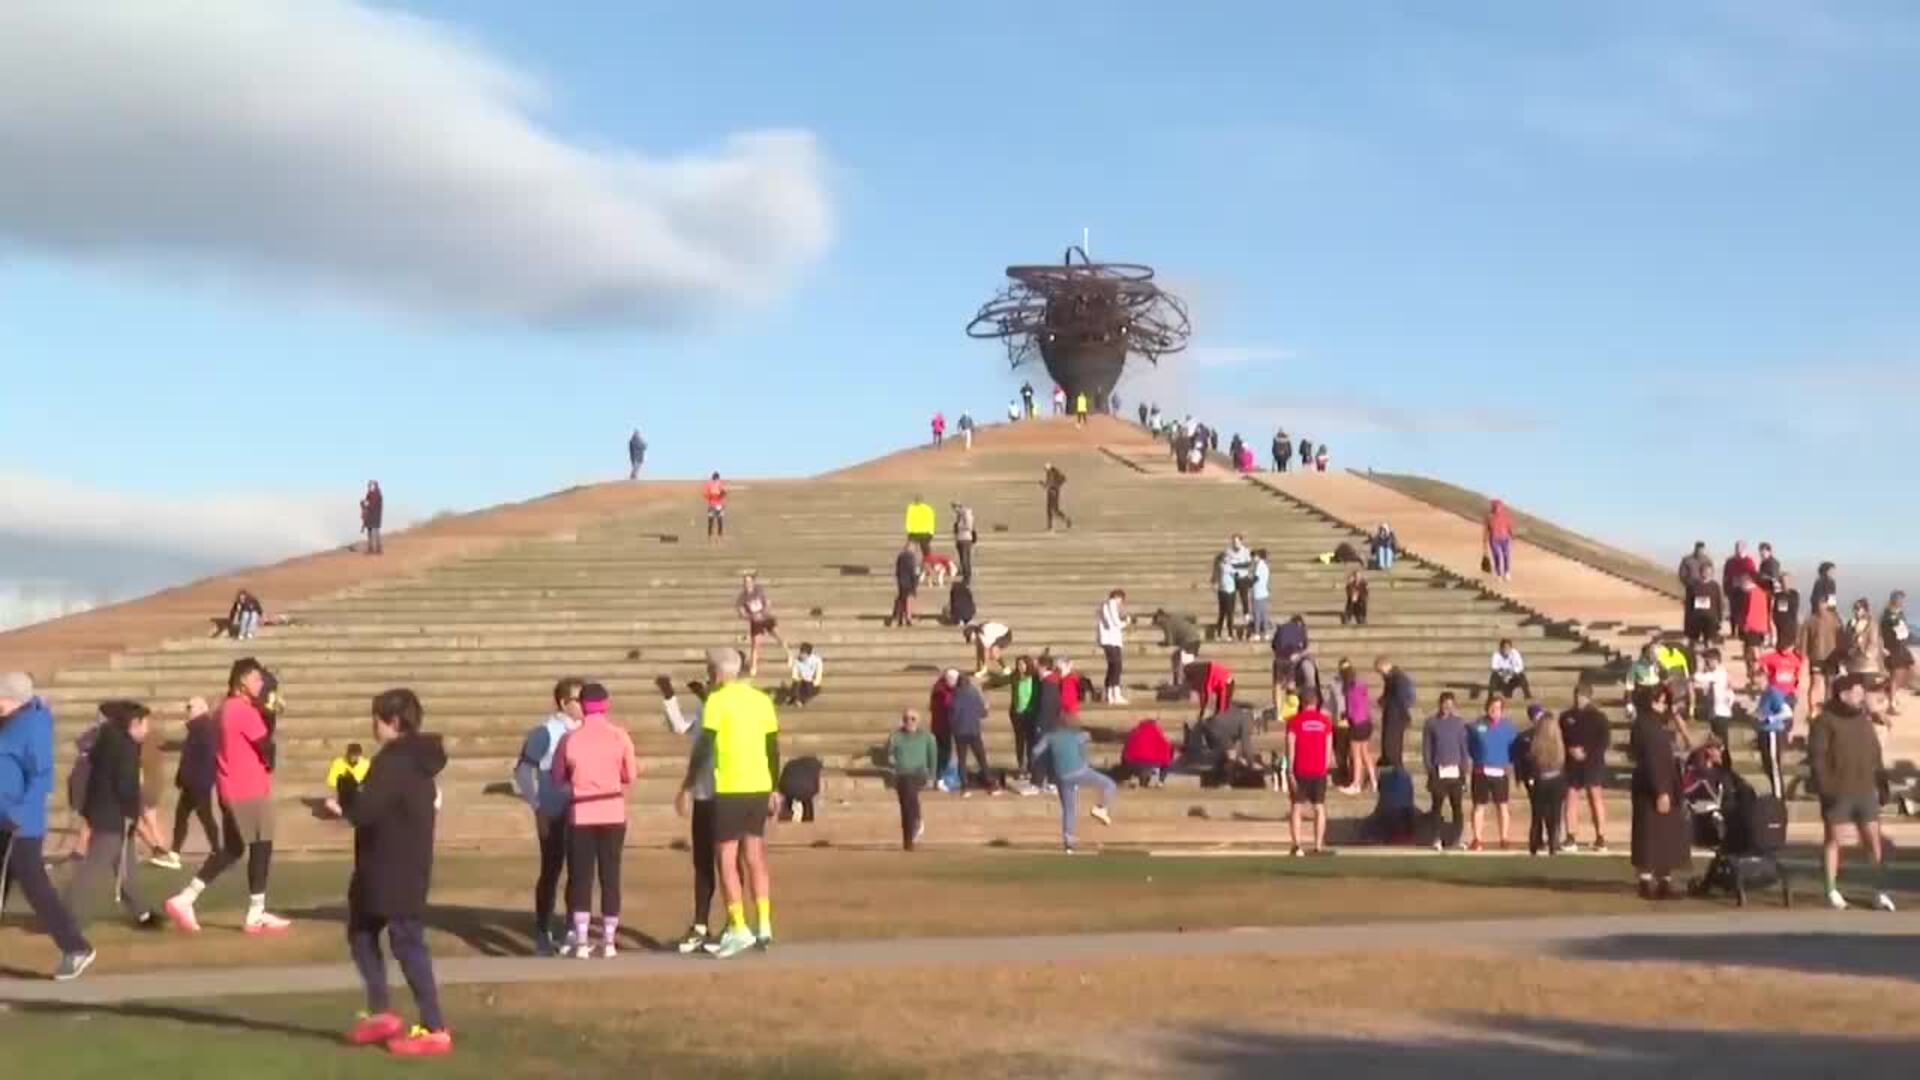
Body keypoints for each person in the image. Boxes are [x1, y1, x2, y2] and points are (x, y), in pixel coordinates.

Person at [342, 688, 452, 1056]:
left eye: (376, 718)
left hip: (391, 865)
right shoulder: (416, 761)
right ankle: (380, 1012)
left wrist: (345, 795)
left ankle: (434, 1026)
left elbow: (364, 811)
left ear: (392, 721)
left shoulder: (394, 762)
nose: (372, 725)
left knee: (406, 941)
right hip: (399, 863)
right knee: (362, 929)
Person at [164, 657, 291, 935]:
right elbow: (266, 749)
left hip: (230, 786)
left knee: (233, 849)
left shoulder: (224, 708)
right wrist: (270, 714)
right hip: (248, 787)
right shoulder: (243, 711)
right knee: (261, 845)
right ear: (242, 681)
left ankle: (186, 898)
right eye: (256, 679)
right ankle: (255, 913)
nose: (260, 684)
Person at [1, 673, 96, 979]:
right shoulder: (9, 722)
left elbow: (41, 777)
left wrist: (18, 814)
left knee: (36, 887)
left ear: (13, 699)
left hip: (20, 826)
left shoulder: (31, 726)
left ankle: (76, 947)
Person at [686, 648, 781, 958]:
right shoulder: (762, 699)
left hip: (730, 785)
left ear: (716, 672)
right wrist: (774, 787)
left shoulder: (717, 700)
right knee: (755, 855)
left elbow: (705, 745)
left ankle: (738, 926)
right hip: (759, 786)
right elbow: (772, 748)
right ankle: (764, 924)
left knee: (726, 857)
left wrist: (688, 782)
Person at [550, 683, 637, 959]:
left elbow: (557, 776)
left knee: (581, 877)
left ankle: (581, 939)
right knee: (611, 875)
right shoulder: (620, 736)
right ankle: (609, 940)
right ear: (606, 704)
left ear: (583, 705)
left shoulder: (569, 739)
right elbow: (631, 775)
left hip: (581, 813)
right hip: (612, 812)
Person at [64, 700, 164, 931]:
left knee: (125, 868)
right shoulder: (124, 746)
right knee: (93, 869)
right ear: (134, 723)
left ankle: (142, 912)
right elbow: (125, 785)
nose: (147, 729)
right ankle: (67, 915)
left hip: (108, 812)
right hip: (113, 816)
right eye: (145, 724)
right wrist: (131, 813)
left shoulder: (109, 740)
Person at [1809, 674, 1896, 911]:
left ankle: (1879, 891)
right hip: (1838, 790)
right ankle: (1831, 889)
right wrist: (1826, 789)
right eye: (1857, 692)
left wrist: (1882, 783)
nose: (1861, 696)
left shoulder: (1863, 720)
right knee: (1834, 840)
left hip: (1865, 789)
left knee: (1874, 841)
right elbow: (1817, 758)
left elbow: (1875, 754)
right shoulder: (1824, 721)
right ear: (1843, 694)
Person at [512, 678, 583, 956]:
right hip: (553, 813)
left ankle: (573, 929)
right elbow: (522, 771)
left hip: (582, 812)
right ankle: (543, 931)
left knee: (579, 872)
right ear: (564, 703)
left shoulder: (588, 730)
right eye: (579, 699)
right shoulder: (545, 731)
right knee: (551, 871)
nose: (585, 704)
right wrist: (537, 806)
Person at [1628, 685, 1689, 900]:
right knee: (1649, 835)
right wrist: (1661, 790)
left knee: (1664, 835)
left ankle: (1664, 880)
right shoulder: (1645, 725)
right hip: (1653, 787)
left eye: (1664, 701)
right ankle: (1646, 881)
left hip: (1664, 784)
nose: (1661, 706)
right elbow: (1651, 760)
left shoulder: (1656, 725)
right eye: (1658, 701)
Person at [1032, 715, 1115, 853]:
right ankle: (1100, 808)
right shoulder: (1077, 735)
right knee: (1109, 784)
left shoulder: (1050, 737)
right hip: (1079, 771)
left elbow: (1035, 751)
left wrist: (1040, 765)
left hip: (1061, 776)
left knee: (1068, 808)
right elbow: (1085, 747)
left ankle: (1068, 842)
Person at [1558, 682, 1610, 851]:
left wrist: (1586, 752)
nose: (1579, 699)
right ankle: (1570, 836)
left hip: (1592, 763)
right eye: (1577, 695)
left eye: (1582, 696)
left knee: (1595, 797)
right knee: (1571, 797)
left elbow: (1604, 742)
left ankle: (1601, 837)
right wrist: (1570, 750)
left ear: (1588, 697)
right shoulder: (1566, 717)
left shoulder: (1599, 717)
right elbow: (1561, 739)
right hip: (1572, 764)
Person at [170, 697, 219, 863]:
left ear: (201, 709)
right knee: (183, 816)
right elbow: (188, 756)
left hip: (197, 783)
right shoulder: (197, 729)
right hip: (193, 782)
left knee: (205, 817)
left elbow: (203, 758)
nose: (188, 711)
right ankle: (175, 852)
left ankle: (217, 850)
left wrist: (194, 779)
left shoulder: (203, 729)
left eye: (191, 708)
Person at [1286, 691, 1334, 856]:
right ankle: (1318, 845)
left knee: (1297, 806)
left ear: (1302, 702)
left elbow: (1291, 746)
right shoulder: (1325, 722)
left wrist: (1289, 770)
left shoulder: (1294, 721)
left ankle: (1297, 845)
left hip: (1300, 768)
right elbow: (1329, 747)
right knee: (1319, 806)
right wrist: (1325, 767)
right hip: (1319, 769)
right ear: (1316, 702)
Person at [1467, 696, 1518, 850]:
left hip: (1500, 772)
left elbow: (1514, 748)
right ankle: (1477, 838)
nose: (1494, 710)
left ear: (1502, 710)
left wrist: (1507, 762)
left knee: (1502, 806)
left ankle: (1504, 838)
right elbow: (1470, 746)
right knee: (1479, 805)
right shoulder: (1476, 726)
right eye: (1492, 707)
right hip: (1481, 771)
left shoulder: (1508, 728)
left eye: (1498, 708)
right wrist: (1478, 759)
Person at [1423, 692, 1471, 851]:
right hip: (1439, 771)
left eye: (1450, 705)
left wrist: (1464, 769)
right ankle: (1436, 838)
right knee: (1437, 807)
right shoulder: (1431, 723)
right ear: (1440, 704)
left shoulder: (1459, 723)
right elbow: (1427, 748)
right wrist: (1430, 769)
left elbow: (1463, 748)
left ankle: (1456, 838)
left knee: (1457, 807)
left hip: (1455, 772)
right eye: (1445, 704)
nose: (1447, 708)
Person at [888, 710, 936, 850]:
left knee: (909, 790)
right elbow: (889, 753)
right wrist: (891, 759)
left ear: (918, 721)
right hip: (901, 774)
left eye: (912, 719)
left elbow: (933, 757)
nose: (909, 722)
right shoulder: (896, 736)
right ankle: (908, 840)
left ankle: (916, 819)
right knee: (905, 805)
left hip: (919, 773)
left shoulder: (927, 737)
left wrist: (932, 776)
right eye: (906, 719)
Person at [1523, 703, 1567, 857]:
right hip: (1556, 779)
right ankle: (1553, 843)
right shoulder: (1559, 744)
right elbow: (1562, 762)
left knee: (1537, 814)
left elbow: (1532, 761)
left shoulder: (1536, 744)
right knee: (1555, 813)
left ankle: (1534, 844)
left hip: (1541, 780)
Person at [947, 673, 992, 793]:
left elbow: (952, 714)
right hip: (973, 730)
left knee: (962, 759)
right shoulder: (974, 693)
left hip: (959, 732)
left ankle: (965, 786)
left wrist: (953, 727)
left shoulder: (954, 695)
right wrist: (986, 708)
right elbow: (982, 713)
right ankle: (989, 782)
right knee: (981, 758)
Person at [1337, 660, 1376, 795]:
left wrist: (1345, 716)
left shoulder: (1349, 689)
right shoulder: (1361, 685)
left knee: (1356, 755)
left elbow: (1351, 710)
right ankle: (1374, 781)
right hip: (1367, 722)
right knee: (1365, 752)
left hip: (1357, 725)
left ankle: (1356, 784)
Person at [1800, 593, 1845, 710]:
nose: (1821, 605)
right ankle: (1814, 710)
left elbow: (1841, 638)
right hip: (1818, 657)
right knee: (1817, 684)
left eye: (1823, 603)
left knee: (1829, 684)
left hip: (1831, 657)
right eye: (1820, 603)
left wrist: (1841, 655)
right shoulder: (1811, 620)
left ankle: (1825, 709)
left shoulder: (1835, 619)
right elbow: (1804, 639)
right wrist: (1803, 655)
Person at [735, 572, 784, 677]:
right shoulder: (742, 597)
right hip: (755, 622)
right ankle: (753, 667)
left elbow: (768, 602)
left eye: (748, 581)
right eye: (745, 581)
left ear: (753, 582)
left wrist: (763, 612)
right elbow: (741, 613)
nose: (746, 583)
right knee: (755, 645)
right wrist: (750, 616)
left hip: (766, 618)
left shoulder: (759, 590)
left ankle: (789, 654)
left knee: (778, 636)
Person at [1375, 656, 1416, 770]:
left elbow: (1400, 699)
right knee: (1389, 745)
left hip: (1396, 716)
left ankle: (1396, 770)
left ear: (1384, 667)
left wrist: (1405, 715)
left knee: (1392, 746)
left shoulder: (1398, 678)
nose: (1380, 674)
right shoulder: (1391, 678)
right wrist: (1382, 700)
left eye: (1380, 671)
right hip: (1392, 715)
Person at [1691, 649, 1734, 743]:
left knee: (1720, 742)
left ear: (1715, 660)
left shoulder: (1719, 673)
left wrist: (1700, 668)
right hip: (1716, 712)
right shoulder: (1718, 673)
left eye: (1707, 661)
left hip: (1720, 713)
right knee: (1717, 741)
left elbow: (1697, 677)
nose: (1706, 664)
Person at [1880, 591, 1913, 716]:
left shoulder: (1900, 613)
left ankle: (1888, 693)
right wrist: (1883, 647)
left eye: (1901, 599)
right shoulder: (1887, 615)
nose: (1900, 601)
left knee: (1905, 672)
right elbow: (1883, 632)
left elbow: (1904, 630)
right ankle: (1891, 703)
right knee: (1895, 675)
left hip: (1901, 647)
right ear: (1893, 600)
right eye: (1898, 599)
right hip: (1892, 648)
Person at [1116, 719, 1173, 787]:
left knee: (1126, 758)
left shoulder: (1134, 733)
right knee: (1166, 763)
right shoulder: (1160, 735)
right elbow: (1167, 751)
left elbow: (1125, 751)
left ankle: (1128, 778)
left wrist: (1125, 762)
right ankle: (1161, 782)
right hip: (1153, 763)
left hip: (1133, 763)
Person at [1096, 590, 1129, 705]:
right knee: (1116, 667)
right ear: (1118, 597)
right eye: (1121, 600)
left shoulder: (1105, 606)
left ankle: (1110, 694)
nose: (1121, 603)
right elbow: (1115, 623)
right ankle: (1115, 694)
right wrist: (1126, 622)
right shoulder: (1111, 604)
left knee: (1112, 667)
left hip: (1109, 640)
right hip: (1111, 640)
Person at [1722, 541, 1758, 643]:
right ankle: (1733, 632)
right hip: (1733, 590)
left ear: (1745, 548)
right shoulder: (1730, 561)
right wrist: (1726, 588)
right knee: (1733, 611)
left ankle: (1742, 632)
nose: (1739, 549)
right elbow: (1725, 576)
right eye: (1737, 547)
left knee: (1743, 612)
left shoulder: (1749, 561)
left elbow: (1753, 575)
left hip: (1745, 591)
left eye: (1741, 547)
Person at [324, 743, 371, 818]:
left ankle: (351, 812)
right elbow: (332, 782)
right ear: (348, 753)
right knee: (329, 802)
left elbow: (370, 782)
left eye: (356, 754)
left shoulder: (366, 764)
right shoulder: (338, 762)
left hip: (359, 794)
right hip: (344, 794)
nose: (353, 756)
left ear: (360, 754)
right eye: (352, 754)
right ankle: (347, 812)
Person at [1682, 571, 1726, 652]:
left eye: (1707, 572)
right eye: (1704, 571)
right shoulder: (1692, 586)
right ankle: (1693, 655)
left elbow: (1719, 603)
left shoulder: (1715, 586)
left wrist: (1720, 619)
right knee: (1694, 641)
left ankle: (1709, 655)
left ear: (1711, 573)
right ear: (1700, 572)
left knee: (1709, 641)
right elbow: (1688, 605)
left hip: (1710, 618)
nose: (1705, 574)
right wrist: (1687, 621)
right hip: (1696, 617)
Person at [1845, 598, 1887, 679]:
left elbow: (1873, 640)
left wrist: (1868, 652)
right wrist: (1850, 649)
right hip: (1853, 662)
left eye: (1858, 609)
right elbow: (1847, 639)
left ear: (1865, 610)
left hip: (1868, 663)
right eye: (1855, 609)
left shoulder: (1871, 624)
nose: (1856, 611)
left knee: (1866, 683)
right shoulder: (1851, 623)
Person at [1185, 659, 1235, 726]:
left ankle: (1219, 717)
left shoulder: (1223, 680)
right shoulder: (1223, 681)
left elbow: (1206, 692)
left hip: (1210, 670)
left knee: (1221, 703)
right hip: (1210, 671)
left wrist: (1203, 710)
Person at [777, 757, 822, 822]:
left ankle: (784, 818)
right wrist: (814, 791)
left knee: (787, 801)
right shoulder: (814, 768)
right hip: (805, 789)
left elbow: (782, 779)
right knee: (807, 802)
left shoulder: (790, 764)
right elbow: (816, 786)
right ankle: (808, 821)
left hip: (787, 787)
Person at [1770, 571, 1802, 654]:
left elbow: (1795, 609)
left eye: (1787, 580)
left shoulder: (1794, 594)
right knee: (1782, 648)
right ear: (1780, 582)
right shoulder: (1778, 596)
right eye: (1783, 581)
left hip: (1792, 624)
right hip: (1782, 626)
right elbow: (1779, 612)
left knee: (1793, 648)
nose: (1785, 583)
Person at [888, 542, 919, 628]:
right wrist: (915, 580)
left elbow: (897, 570)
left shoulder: (900, 556)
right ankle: (908, 618)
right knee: (909, 599)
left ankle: (899, 618)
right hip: (909, 581)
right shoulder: (911, 557)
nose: (915, 550)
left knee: (901, 599)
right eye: (914, 548)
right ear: (911, 548)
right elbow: (912, 570)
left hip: (901, 581)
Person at [1483, 498, 1514, 581]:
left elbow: (1509, 526)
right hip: (1494, 539)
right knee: (1497, 556)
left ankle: (1506, 572)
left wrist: (1511, 535)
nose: (1497, 508)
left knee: (1506, 555)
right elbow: (1487, 530)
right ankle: (1498, 574)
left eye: (1499, 506)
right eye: (1495, 506)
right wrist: (1485, 541)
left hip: (1505, 538)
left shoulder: (1506, 515)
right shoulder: (1489, 517)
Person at [1212, 553, 1238, 641]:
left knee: (1227, 613)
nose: (1229, 559)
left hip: (1231, 591)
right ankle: (1224, 633)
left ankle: (1226, 633)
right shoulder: (1222, 566)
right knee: (1225, 613)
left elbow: (1236, 575)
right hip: (1225, 591)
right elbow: (1216, 578)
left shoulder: (1230, 567)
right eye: (1227, 557)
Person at [951, 501, 978, 583]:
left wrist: (958, 526)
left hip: (965, 539)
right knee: (963, 559)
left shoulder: (966, 514)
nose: (954, 510)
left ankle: (967, 577)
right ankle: (966, 576)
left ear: (959, 507)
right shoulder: (960, 515)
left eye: (955, 508)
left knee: (965, 559)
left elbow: (969, 526)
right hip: (960, 539)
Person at [1249, 550, 1273, 638]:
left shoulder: (1259, 566)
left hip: (1258, 593)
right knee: (1264, 614)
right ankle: (1266, 633)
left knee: (1257, 614)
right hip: (1264, 593)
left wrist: (1248, 583)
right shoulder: (1265, 566)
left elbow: (1256, 578)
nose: (1252, 559)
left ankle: (1257, 633)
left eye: (1253, 557)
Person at [903, 495, 936, 559]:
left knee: (910, 552)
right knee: (926, 553)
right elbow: (931, 520)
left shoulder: (911, 508)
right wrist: (931, 533)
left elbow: (908, 520)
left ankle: (911, 562)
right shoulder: (927, 508)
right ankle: (927, 562)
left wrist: (909, 531)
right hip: (923, 533)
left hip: (916, 533)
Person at [1042, 463, 1072, 531]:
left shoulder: (1052, 473)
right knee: (1051, 510)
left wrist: (1050, 486)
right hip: (1052, 492)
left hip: (1053, 492)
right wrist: (1045, 485)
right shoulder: (1053, 473)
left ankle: (1066, 520)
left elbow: (1051, 483)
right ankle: (1050, 525)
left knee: (1054, 510)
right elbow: (1050, 484)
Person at [361, 481, 384, 555]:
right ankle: (371, 549)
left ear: (374, 486)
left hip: (375, 516)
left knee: (375, 533)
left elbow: (371, 505)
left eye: (370, 486)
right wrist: (364, 503)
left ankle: (378, 549)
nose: (369, 487)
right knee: (370, 532)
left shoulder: (377, 494)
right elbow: (367, 502)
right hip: (371, 517)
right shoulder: (371, 494)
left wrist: (364, 504)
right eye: (369, 486)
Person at [703, 472, 728, 542]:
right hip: (717, 505)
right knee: (719, 521)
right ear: (717, 478)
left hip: (712, 505)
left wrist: (710, 497)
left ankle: (710, 536)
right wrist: (720, 496)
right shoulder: (719, 484)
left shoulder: (710, 484)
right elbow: (724, 492)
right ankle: (718, 536)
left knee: (711, 521)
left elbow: (706, 495)